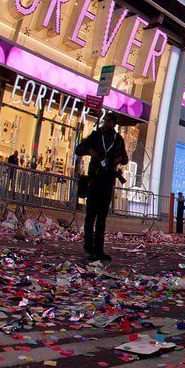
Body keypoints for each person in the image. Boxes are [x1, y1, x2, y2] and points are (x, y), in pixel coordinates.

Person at [74, 112, 128, 262]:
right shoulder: (96, 136)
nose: (107, 123)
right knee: (90, 216)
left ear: (114, 124)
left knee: (102, 219)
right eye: (106, 120)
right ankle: (88, 247)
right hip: (94, 180)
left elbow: (125, 158)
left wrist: (119, 159)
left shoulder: (118, 140)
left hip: (107, 181)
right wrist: (90, 151)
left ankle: (99, 249)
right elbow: (79, 149)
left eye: (110, 121)